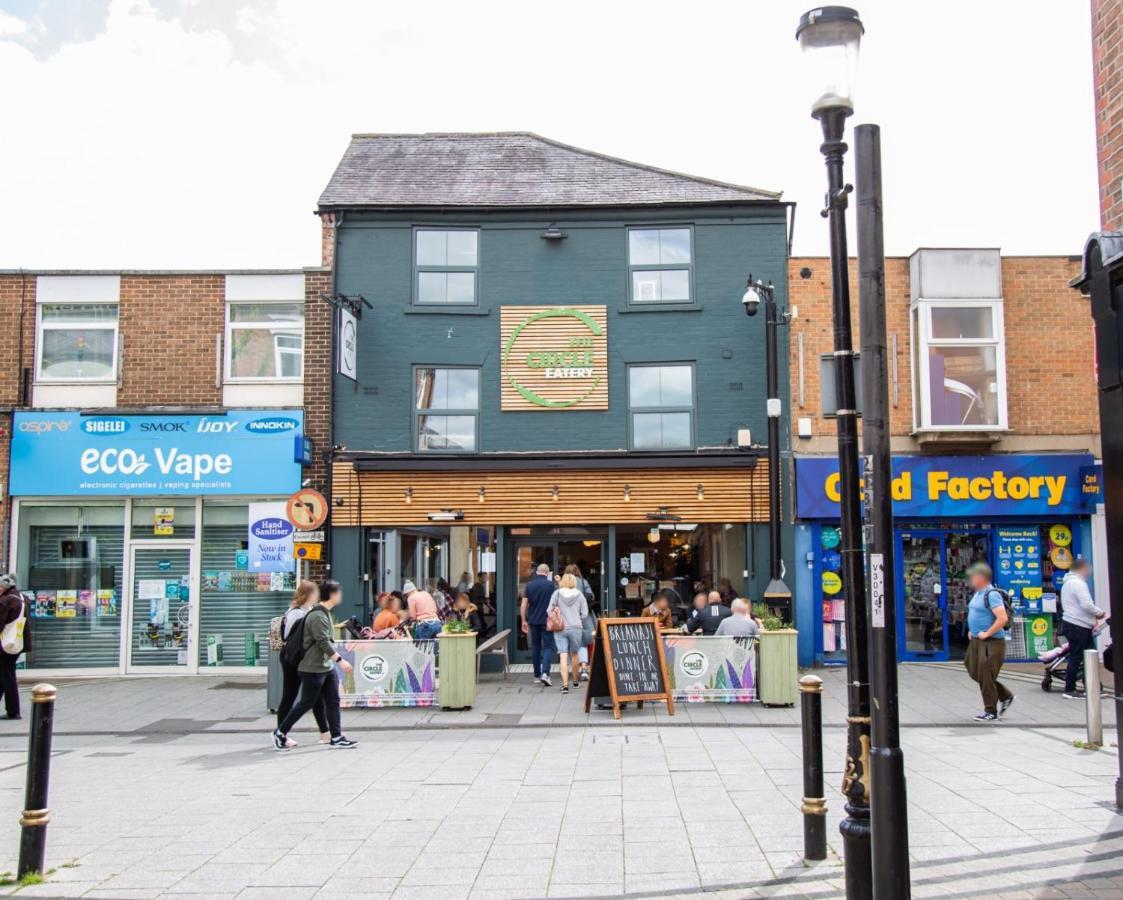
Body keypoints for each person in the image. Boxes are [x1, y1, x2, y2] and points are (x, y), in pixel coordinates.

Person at [273, 580, 357, 749]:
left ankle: (335, 737)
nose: (341, 595)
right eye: (339, 592)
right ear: (332, 595)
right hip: (312, 666)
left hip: (325, 666)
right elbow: (323, 642)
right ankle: (280, 732)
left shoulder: (319, 612)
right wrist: (341, 661)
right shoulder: (316, 615)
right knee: (306, 702)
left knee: (332, 700)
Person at [275, 581, 331, 747]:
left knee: (315, 695)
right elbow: (294, 640)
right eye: (315, 593)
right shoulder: (296, 613)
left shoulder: (306, 611)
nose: (317, 596)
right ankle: (281, 734)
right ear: (309, 595)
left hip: (302, 659)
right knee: (290, 696)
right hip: (293, 660)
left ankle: (325, 733)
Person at [964, 563, 1014, 721]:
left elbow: (1002, 618)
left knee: (985, 676)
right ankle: (1006, 695)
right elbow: (977, 613)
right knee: (973, 669)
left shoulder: (991, 594)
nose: (970, 580)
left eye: (973, 576)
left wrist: (987, 633)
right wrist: (973, 630)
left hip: (991, 642)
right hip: (977, 640)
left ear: (981, 578)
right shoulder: (978, 593)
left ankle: (990, 711)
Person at [1060, 558, 1106, 699]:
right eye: (1087, 569)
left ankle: (1093, 687)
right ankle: (1070, 689)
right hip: (1078, 625)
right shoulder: (1078, 584)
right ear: (1082, 568)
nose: (1089, 572)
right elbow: (1086, 604)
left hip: (1074, 623)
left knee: (1087, 657)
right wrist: (1099, 613)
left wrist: (1092, 620)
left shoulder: (1068, 583)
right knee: (1078, 657)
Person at [547, 573, 589, 694]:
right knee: (575, 654)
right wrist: (578, 620)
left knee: (563, 655)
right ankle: (575, 682)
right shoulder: (579, 595)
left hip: (560, 628)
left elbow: (549, 610)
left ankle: (565, 685)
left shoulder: (557, 593)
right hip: (576, 628)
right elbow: (585, 613)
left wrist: (555, 618)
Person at [520, 563, 556, 686]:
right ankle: (545, 673)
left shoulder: (529, 585)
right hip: (547, 621)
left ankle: (536, 675)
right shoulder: (551, 585)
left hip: (533, 621)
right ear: (547, 573)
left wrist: (523, 620)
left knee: (535, 647)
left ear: (537, 572)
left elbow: (524, 605)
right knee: (548, 647)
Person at [0, 575, 30, 720]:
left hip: (4, 644)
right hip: (16, 642)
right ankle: (13, 710)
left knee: (7, 676)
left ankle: (13, 711)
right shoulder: (22, 598)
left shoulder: (6, 601)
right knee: (4, 675)